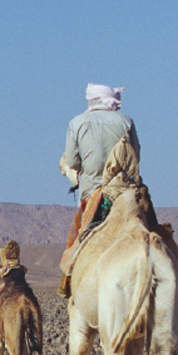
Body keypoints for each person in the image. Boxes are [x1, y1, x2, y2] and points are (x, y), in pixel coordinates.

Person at [59, 83, 139, 251]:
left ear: (92, 101)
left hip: (91, 191)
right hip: (124, 191)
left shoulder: (76, 123)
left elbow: (73, 162)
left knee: (77, 244)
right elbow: (135, 158)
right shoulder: (126, 121)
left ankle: (71, 271)